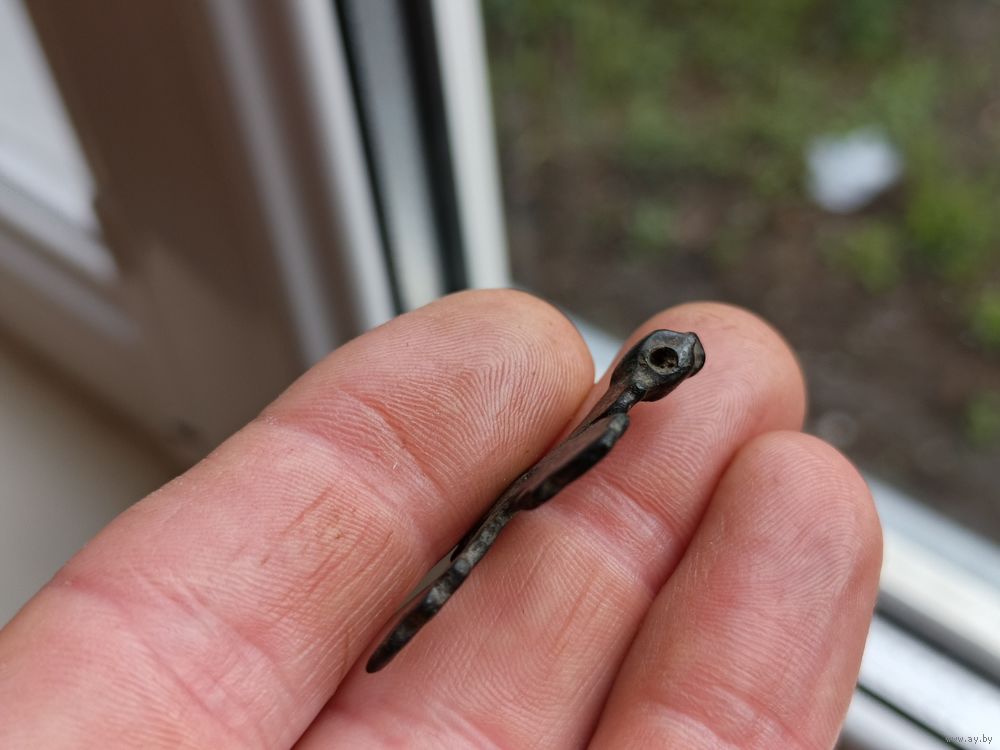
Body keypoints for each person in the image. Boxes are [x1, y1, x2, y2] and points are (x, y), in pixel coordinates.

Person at [0, 290, 881, 748]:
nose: (671, 366)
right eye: (667, 364)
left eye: (669, 367)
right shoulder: (609, 423)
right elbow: (538, 489)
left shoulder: (610, 425)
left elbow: (542, 488)